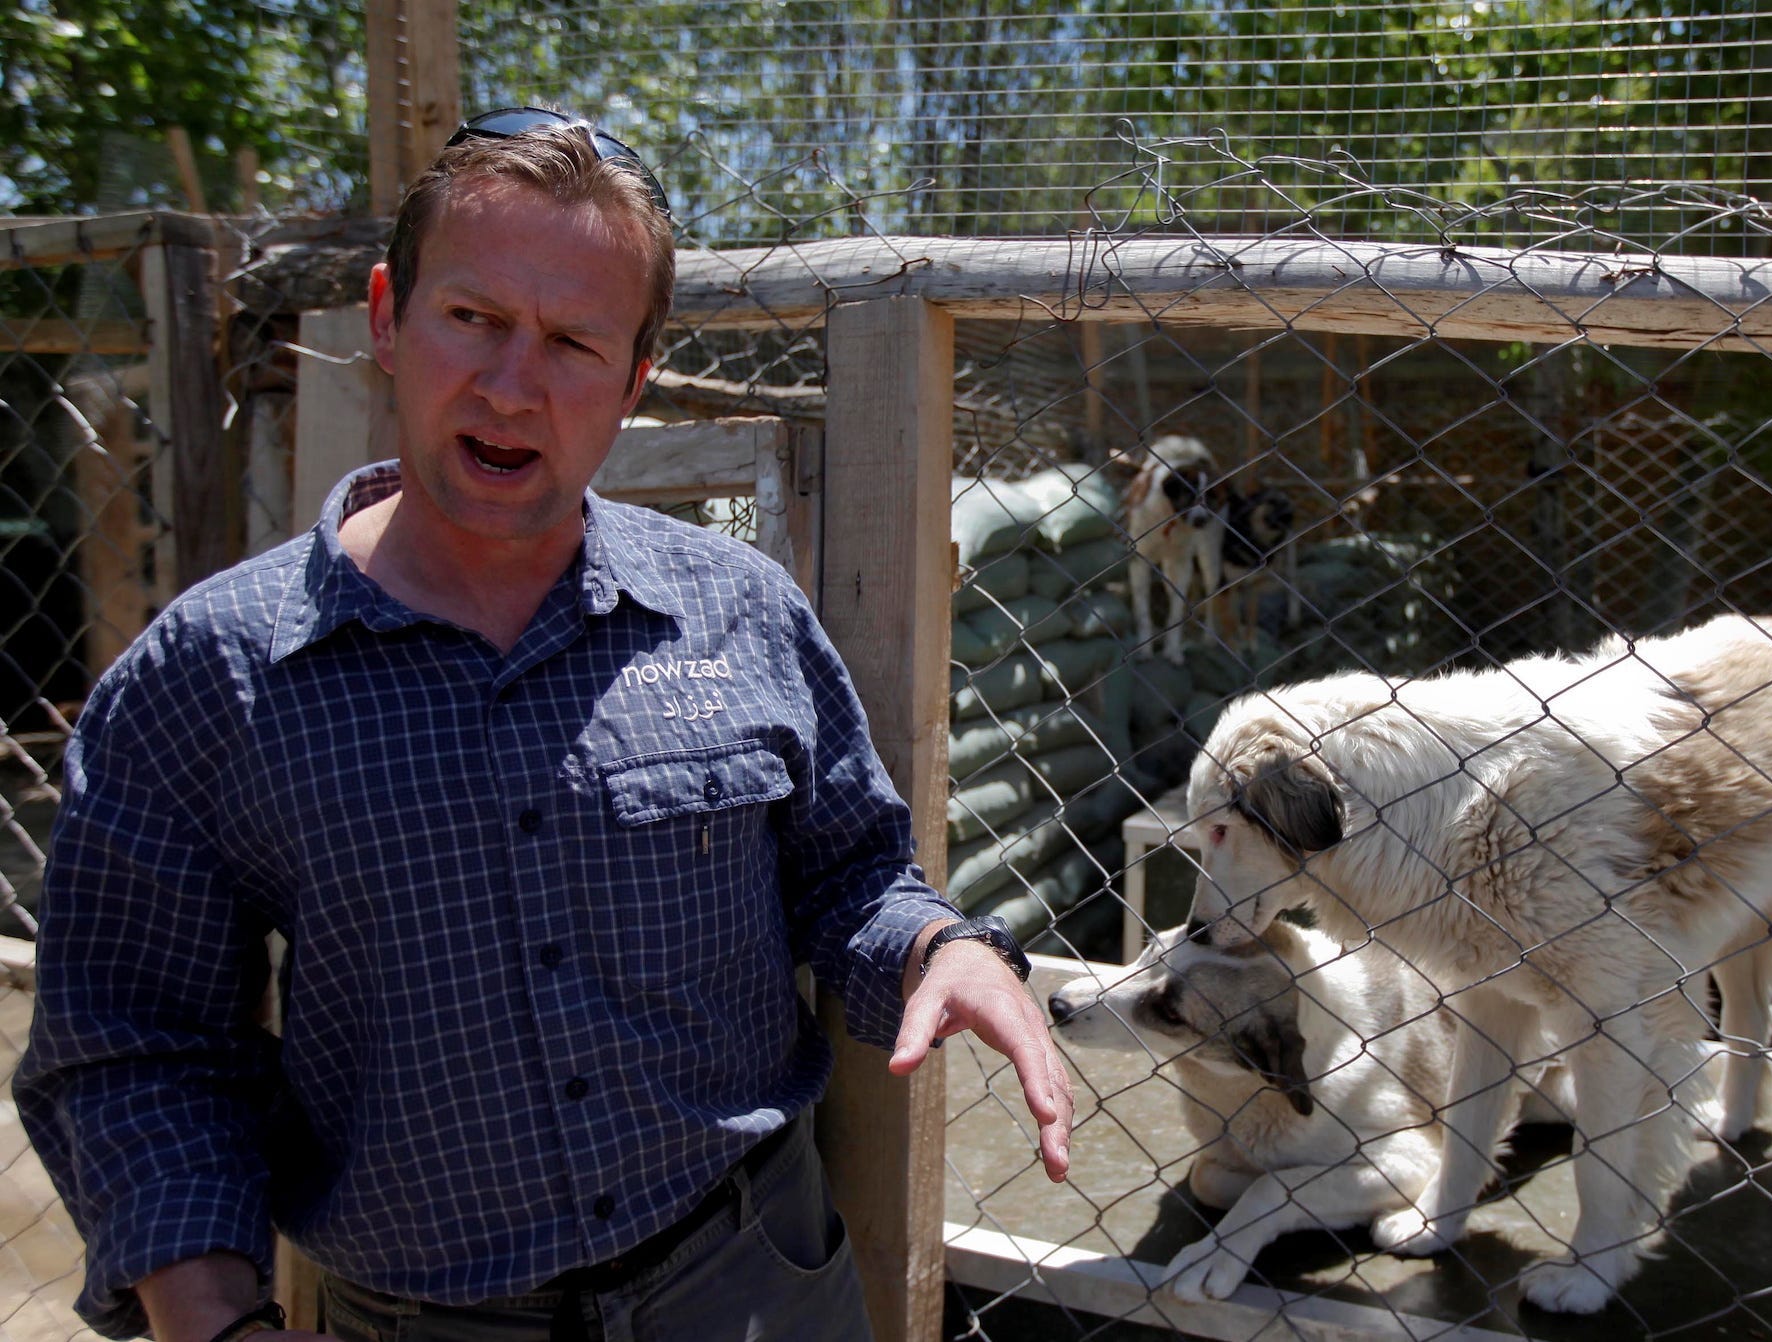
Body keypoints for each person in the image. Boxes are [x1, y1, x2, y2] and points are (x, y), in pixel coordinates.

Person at [18, 108, 1072, 1342]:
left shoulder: (734, 611)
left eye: (573, 342)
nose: (513, 386)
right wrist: (213, 1318)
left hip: (751, 1281)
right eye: (473, 318)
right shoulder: (212, 675)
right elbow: (134, 1043)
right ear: (386, 318)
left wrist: (934, 946)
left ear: (631, 380)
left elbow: (849, 876)